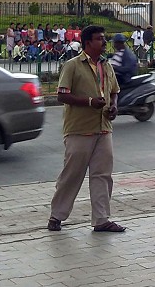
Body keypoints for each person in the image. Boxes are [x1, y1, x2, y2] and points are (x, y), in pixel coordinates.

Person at [47, 25, 124, 234]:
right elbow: (62, 95)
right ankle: (56, 216)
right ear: (88, 43)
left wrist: (114, 105)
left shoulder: (106, 65)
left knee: (102, 175)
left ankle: (101, 219)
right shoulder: (72, 65)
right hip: (79, 129)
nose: (104, 42)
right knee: (72, 175)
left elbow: (114, 91)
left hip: (103, 128)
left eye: (104, 38)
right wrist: (89, 102)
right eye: (100, 39)